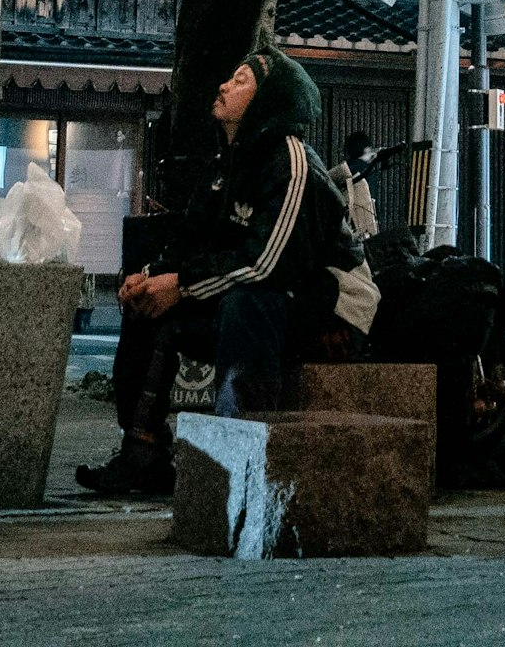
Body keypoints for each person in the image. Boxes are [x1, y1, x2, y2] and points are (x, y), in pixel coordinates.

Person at [78, 46, 376, 497]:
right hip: (268, 294)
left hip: (329, 309)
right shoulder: (227, 161)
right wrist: (149, 276)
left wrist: (182, 286)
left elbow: (267, 264)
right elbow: (191, 240)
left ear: (268, 100)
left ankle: (241, 458)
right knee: (148, 307)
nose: (223, 85)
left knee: (248, 302)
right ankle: (144, 453)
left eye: (241, 81)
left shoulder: (291, 161)